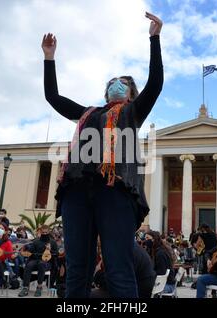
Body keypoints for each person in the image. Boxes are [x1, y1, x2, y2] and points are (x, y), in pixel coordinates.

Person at [42, 12, 163, 298]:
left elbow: (155, 84)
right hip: (76, 191)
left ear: (131, 93)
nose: (115, 85)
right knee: (77, 269)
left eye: (122, 83)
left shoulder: (133, 112)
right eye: (112, 82)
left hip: (115, 190)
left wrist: (154, 39)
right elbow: (53, 98)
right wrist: (49, 58)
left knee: (118, 267)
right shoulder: (88, 113)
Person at [19, 225, 58, 297]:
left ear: (49, 232)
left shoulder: (52, 242)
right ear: (40, 231)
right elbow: (30, 251)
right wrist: (25, 252)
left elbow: (56, 254)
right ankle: (25, 287)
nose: (45, 234)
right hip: (35, 259)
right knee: (29, 265)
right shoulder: (36, 241)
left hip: (47, 262)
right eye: (43, 232)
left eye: (46, 232)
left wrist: (50, 250)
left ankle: (39, 287)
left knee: (41, 264)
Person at [146, 231, 176, 295]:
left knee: (142, 288)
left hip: (167, 286)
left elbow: (161, 272)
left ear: (154, 239)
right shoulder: (160, 250)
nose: (146, 241)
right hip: (166, 284)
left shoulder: (160, 254)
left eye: (147, 238)